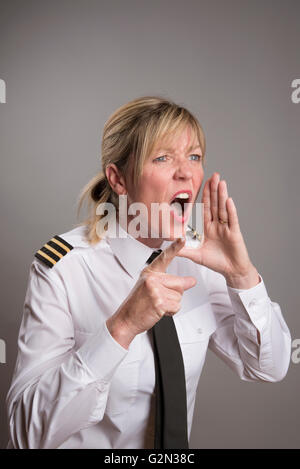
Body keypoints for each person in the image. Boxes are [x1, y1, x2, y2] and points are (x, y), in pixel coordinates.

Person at [6, 96, 291, 449]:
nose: (186, 172)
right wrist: (122, 327)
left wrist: (241, 275)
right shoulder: (63, 268)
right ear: (119, 179)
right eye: (162, 157)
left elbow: (269, 367)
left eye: (194, 156)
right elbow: (25, 433)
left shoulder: (200, 259)